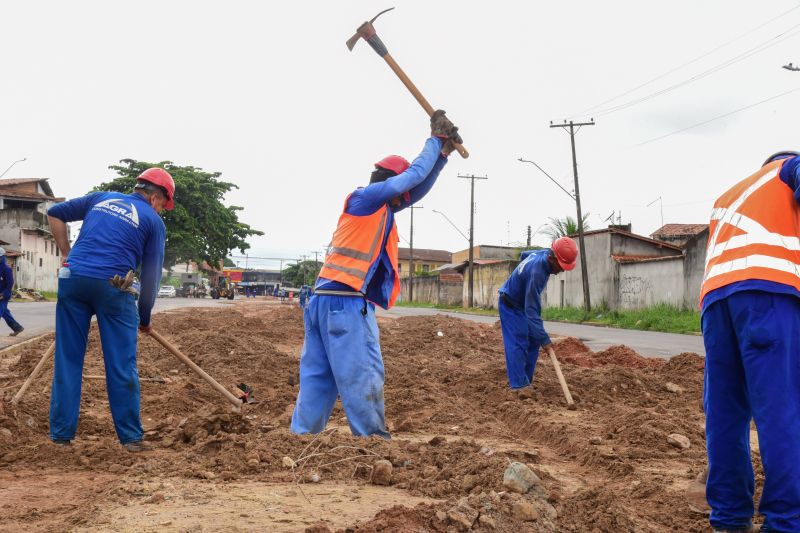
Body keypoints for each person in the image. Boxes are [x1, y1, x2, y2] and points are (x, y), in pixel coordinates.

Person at [291, 110, 461, 438]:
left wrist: (441, 157)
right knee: (363, 374)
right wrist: (435, 138)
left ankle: (302, 437)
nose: (402, 200)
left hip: (322, 302)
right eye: (398, 194)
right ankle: (373, 445)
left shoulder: (372, 208)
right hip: (346, 307)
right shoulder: (366, 198)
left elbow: (415, 187)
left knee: (318, 378)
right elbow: (411, 180)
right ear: (388, 184)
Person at [700, 151, 800, 533]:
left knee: (725, 415)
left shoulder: (726, 198)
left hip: (716, 304)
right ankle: (787, 522)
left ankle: (729, 517)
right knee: (782, 410)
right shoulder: (787, 170)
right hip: (767, 297)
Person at [46, 167, 173, 453]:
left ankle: (60, 435)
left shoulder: (101, 198)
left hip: (73, 280)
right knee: (120, 364)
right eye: (164, 205)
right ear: (155, 198)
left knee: (68, 359)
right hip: (114, 288)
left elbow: (54, 212)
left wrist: (66, 253)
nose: (162, 211)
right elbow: (152, 279)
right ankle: (131, 438)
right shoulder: (152, 220)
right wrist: (145, 318)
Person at [497, 238, 578, 390]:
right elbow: (532, 311)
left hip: (522, 304)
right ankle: (519, 385)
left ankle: (526, 380)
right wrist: (545, 339)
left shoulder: (543, 253)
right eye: (561, 266)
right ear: (552, 258)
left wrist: (539, 337)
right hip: (510, 304)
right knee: (518, 341)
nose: (561, 270)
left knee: (534, 341)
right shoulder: (538, 273)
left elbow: (523, 255)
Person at [0, 248, 24, 336]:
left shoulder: (6, 269)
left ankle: (17, 327)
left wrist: (4, 294)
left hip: (3, 295)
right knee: (5, 313)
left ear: (2, 257)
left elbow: (10, 283)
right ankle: (17, 327)